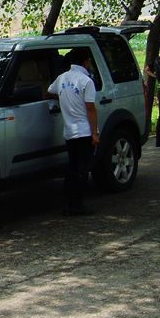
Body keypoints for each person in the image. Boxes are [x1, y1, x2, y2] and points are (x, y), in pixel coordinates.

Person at [47, 48, 99, 216]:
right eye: (89, 61)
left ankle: (68, 203)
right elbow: (90, 108)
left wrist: (63, 98)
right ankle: (78, 204)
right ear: (85, 62)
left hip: (69, 132)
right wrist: (95, 133)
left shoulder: (61, 78)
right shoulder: (86, 81)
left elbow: (49, 91)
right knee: (83, 169)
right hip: (84, 131)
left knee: (72, 168)